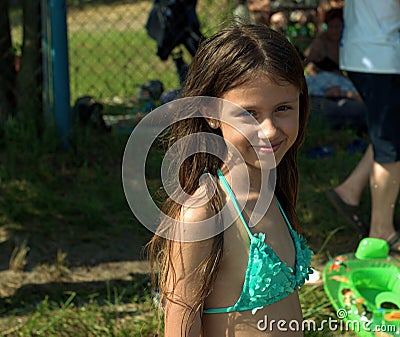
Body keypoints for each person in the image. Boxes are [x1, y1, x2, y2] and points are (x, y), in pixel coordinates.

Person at [148, 24, 313, 336]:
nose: (269, 130)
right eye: (248, 113)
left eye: (282, 109)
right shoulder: (203, 214)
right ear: (211, 114)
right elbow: (180, 327)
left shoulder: (274, 189)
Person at [326, 0, 400, 247]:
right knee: (389, 143)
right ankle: (382, 231)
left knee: (389, 132)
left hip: (366, 50)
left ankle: (349, 191)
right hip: (381, 55)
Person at [303, 8, 367, 132]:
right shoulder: (320, 43)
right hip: (322, 84)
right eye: (332, 27)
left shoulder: (348, 42)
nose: (335, 31)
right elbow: (303, 63)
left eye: (338, 27)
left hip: (343, 84)